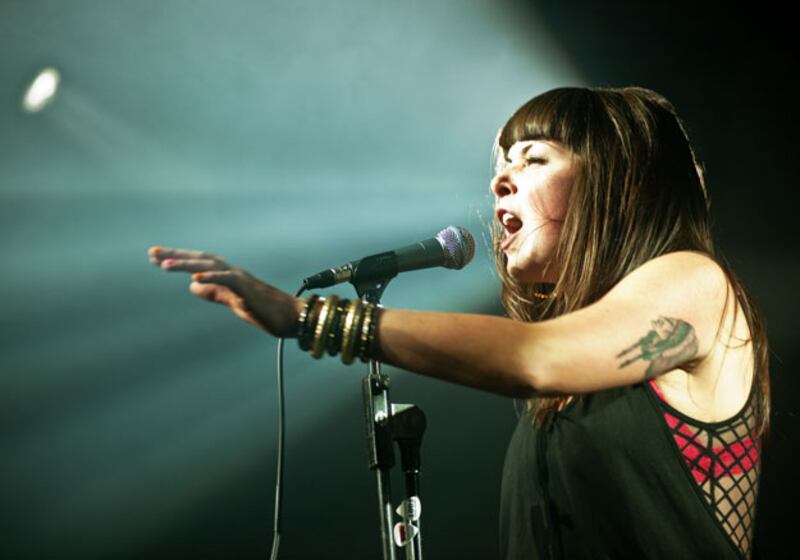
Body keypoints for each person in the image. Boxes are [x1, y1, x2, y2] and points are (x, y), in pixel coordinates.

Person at [148, 86, 769, 559]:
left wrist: (312, 319)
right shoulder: (563, 395)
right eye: (503, 163)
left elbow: (534, 358)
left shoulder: (696, 284)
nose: (499, 180)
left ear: (621, 181)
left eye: (534, 159)